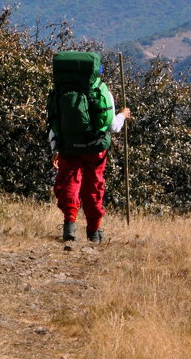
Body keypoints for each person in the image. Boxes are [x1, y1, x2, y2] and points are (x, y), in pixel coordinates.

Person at [47, 51, 131, 244]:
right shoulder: (101, 90)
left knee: (69, 182)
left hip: (67, 146)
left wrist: (55, 149)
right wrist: (123, 115)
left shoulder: (58, 91)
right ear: (96, 71)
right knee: (93, 187)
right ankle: (93, 231)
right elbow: (112, 127)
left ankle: (69, 225)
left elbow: (53, 124)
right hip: (95, 149)